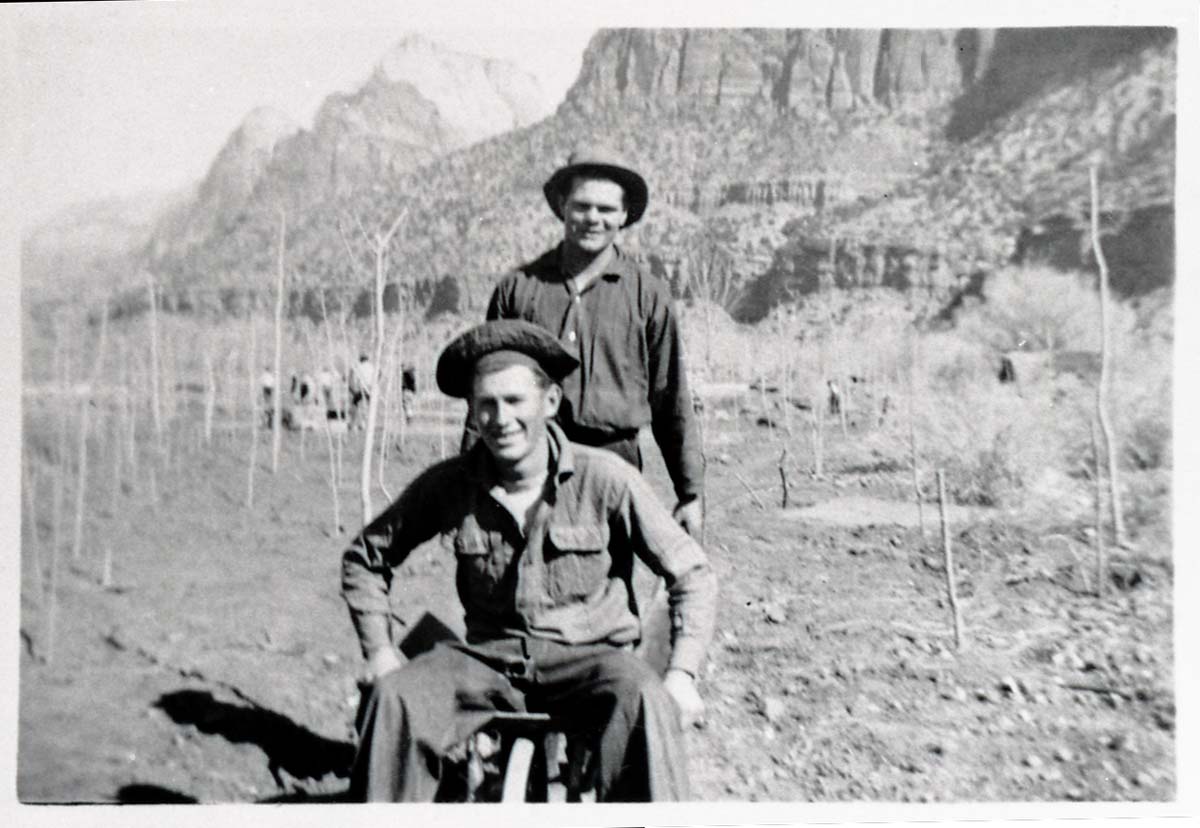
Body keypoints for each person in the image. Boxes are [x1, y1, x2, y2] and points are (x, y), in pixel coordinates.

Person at [341, 319, 717, 802]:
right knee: (393, 698)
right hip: (487, 661)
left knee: (647, 701)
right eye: (486, 405)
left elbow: (692, 572)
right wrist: (379, 651)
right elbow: (365, 558)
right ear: (472, 414)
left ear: (551, 403)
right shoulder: (450, 484)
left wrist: (682, 674)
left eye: (515, 401)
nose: (501, 419)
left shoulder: (605, 479)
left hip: (590, 659)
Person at [483, 145, 704, 537]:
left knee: (610, 585)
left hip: (614, 465)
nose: (593, 219)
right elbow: (485, 390)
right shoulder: (518, 289)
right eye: (582, 206)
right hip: (529, 461)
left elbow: (671, 399)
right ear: (562, 206)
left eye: (605, 210)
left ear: (623, 216)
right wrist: (469, 480)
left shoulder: (648, 295)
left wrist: (690, 493)